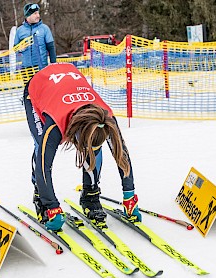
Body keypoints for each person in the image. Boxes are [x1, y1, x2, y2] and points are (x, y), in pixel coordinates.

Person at [25, 62, 142, 231]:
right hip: (39, 87)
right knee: (41, 145)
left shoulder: (105, 118)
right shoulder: (55, 125)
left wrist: (129, 195)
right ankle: (40, 195)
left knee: (93, 147)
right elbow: (44, 165)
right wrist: (51, 206)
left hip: (68, 83)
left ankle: (90, 194)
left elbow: (121, 154)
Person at [14, 3, 56, 83]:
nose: (38, 15)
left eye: (38, 13)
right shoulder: (20, 30)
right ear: (28, 16)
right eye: (35, 13)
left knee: (43, 90)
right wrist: (19, 48)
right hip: (26, 68)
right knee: (29, 92)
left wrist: (53, 64)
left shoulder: (44, 28)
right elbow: (15, 47)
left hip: (41, 67)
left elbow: (51, 47)